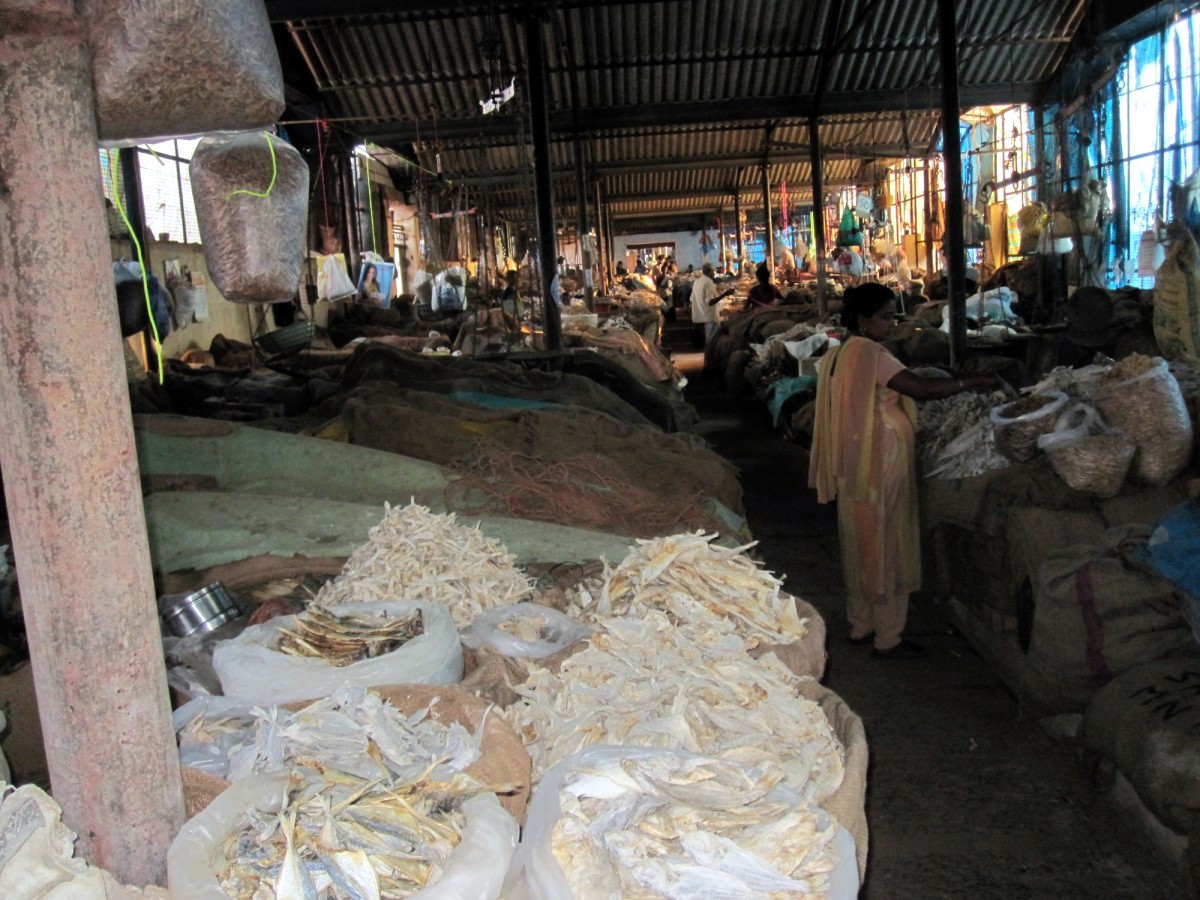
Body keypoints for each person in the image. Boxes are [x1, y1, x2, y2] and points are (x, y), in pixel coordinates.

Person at [808, 283, 1000, 660]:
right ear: (863, 320)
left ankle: (862, 624)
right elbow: (922, 389)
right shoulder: (871, 353)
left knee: (861, 539)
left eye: (891, 315)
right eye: (883, 317)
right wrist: (972, 382)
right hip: (881, 462)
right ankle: (889, 636)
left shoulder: (841, 351)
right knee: (887, 542)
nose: (890, 323)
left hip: (858, 463)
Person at [689, 262, 735, 365]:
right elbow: (710, 302)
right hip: (710, 316)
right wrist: (725, 294)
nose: (714, 273)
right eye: (713, 271)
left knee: (709, 341)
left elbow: (692, 299)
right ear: (709, 271)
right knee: (711, 342)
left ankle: (708, 365)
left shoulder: (697, 281)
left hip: (702, 315)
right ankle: (709, 367)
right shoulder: (709, 282)